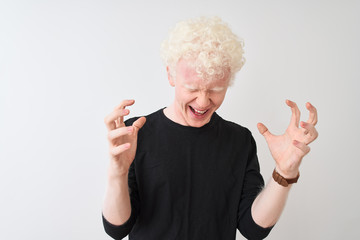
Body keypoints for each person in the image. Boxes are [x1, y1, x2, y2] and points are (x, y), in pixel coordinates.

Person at [102, 17, 318, 240]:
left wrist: (284, 172)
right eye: (192, 88)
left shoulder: (240, 140)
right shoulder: (136, 133)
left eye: (216, 89)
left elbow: (252, 229)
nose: (204, 102)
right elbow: (117, 229)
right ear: (170, 75)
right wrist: (117, 173)